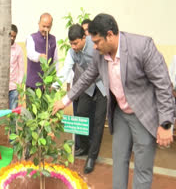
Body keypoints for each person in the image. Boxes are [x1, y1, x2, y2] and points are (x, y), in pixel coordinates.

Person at [53, 13, 174, 189]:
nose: (93, 47)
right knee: (119, 160)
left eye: (97, 42)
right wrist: (65, 100)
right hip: (120, 114)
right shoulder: (100, 54)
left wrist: (165, 123)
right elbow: (86, 77)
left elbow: (163, 85)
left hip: (144, 114)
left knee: (142, 167)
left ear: (110, 35)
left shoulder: (142, 46)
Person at [55, 24, 107, 174]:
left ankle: (92, 156)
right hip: (87, 85)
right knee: (82, 115)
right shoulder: (73, 52)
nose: (73, 46)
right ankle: (84, 147)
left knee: (98, 122)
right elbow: (65, 70)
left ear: (84, 37)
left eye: (76, 43)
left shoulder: (95, 45)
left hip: (103, 85)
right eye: (71, 43)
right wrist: (55, 85)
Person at [26, 13, 58, 90]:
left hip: (48, 84)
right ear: (39, 23)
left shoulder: (53, 39)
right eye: (43, 26)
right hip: (33, 83)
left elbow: (55, 61)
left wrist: (55, 82)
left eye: (48, 27)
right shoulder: (31, 38)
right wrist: (39, 56)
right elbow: (30, 54)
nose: (45, 29)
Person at [9, 24, 24, 109]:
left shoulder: (18, 49)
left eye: (14, 36)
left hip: (14, 88)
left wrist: (18, 84)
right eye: (10, 35)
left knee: (13, 112)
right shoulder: (1, 47)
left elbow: (21, 69)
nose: (12, 38)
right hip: (2, 87)